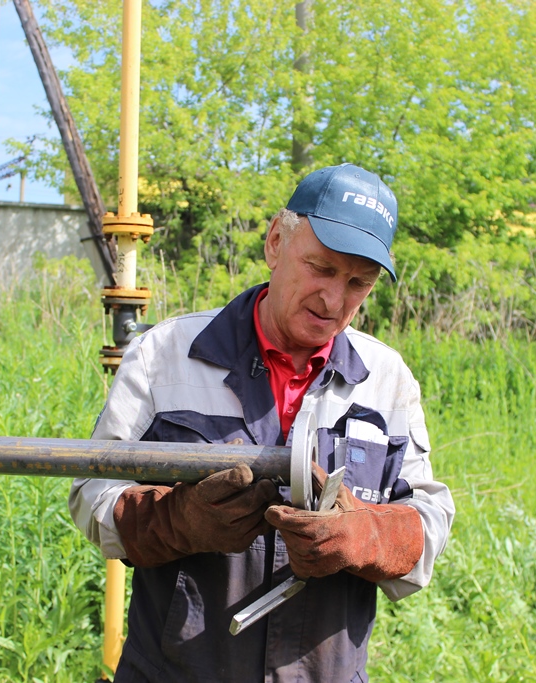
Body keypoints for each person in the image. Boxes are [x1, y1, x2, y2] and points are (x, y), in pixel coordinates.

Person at [70, 163, 455, 682]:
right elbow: (92, 493)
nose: (333, 301)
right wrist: (177, 519)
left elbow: (428, 524)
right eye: (320, 267)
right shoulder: (164, 356)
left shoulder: (386, 381)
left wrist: (363, 535)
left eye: (357, 283)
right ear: (276, 241)